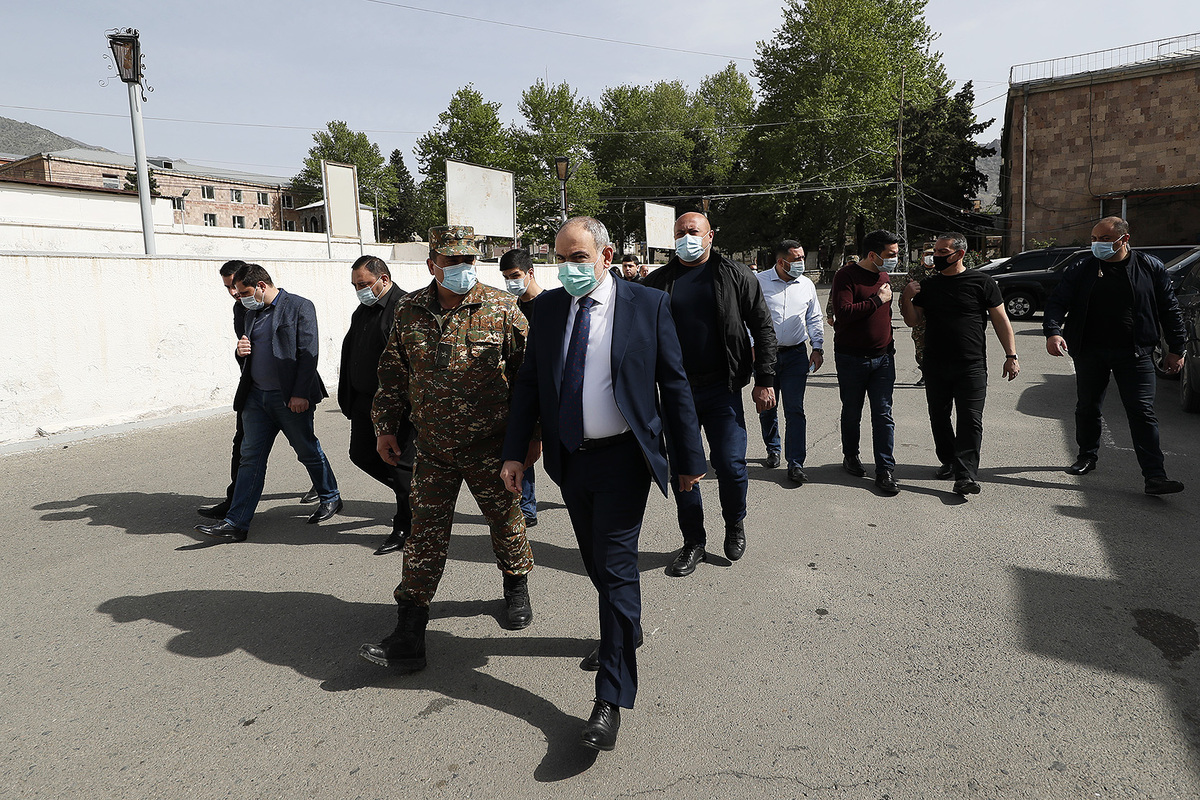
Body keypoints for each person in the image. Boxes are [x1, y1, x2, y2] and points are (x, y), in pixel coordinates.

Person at [500, 216, 705, 752]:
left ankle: (609, 698)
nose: (568, 268)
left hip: (624, 459)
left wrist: (688, 459)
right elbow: (529, 383)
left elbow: (674, 383)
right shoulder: (548, 309)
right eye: (560, 258)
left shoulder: (646, 305)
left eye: (578, 257)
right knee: (595, 561)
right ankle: (625, 628)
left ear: (606, 257)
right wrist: (515, 452)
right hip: (570, 460)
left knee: (615, 570)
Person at [360, 225, 537, 675]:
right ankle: (409, 631)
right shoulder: (409, 310)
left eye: (468, 260)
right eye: (451, 261)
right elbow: (393, 373)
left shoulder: (502, 307)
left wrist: (531, 438)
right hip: (433, 447)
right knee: (424, 534)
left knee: (505, 520)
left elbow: (530, 379)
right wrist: (385, 427)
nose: (461, 268)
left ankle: (516, 584)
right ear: (431, 264)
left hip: (491, 446)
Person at [641, 212, 777, 576]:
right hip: (677, 393)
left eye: (693, 231)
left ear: (710, 235)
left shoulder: (735, 275)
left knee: (731, 465)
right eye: (680, 232)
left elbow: (762, 326)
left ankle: (734, 522)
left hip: (722, 389)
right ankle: (694, 542)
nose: (686, 237)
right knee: (684, 472)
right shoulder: (658, 281)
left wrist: (765, 378)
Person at [195, 264, 341, 542]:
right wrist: (240, 352)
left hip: (289, 397)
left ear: (261, 286)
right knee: (250, 458)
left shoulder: (299, 306)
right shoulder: (250, 312)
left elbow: (308, 352)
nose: (240, 298)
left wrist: (300, 393)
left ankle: (330, 495)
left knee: (306, 449)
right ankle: (236, 523)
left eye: (244, 292)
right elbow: (250, 353)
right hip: (256, 398)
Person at [1043, 216, 1186, 495]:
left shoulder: (1150, 267)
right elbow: (1058, 301)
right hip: (1090, 350)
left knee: (1142, 411)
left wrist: (1177, 348)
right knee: (1088, 406)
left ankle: (1155, 476)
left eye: (1105, 239)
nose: (1098, 244)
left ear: (1124, 239)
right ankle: (1087, 456)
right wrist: (1053, 331)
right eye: (1094, 239)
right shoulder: (1082, 268)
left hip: (1135, 352)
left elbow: (1169, 309)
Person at [899, 233, 1020, 496]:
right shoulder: (929, 285)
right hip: (935, 364)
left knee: (970, 419)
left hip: (971, 365)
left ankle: (966, 475)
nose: (936, 257)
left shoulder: (982, 282)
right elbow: (912, 320)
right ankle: (949, 461)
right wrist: (906, 298)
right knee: (939, 416)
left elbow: (1001, 320)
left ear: (960, 254)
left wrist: (1011, 355)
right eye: (935, 252)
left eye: (943, 252)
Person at [338, 255, 415, 555]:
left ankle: (405, 526)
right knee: (361, 454)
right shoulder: (363, 310)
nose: (360, 290)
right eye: (355, 285)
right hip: (363, 402)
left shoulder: (405, 308)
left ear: (384, 279)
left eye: (365, 284)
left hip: (396, 405)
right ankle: (418, 494)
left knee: (400, 467)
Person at [831, 230, 900, 495]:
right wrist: (877, 300)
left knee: (883, 414)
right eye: (890, 254)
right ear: (873, 255)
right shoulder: (845, 276)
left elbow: (885, 315)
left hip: (883, 358)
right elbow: (843, 313)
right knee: (852, 411)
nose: (895, 259)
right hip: (851, 358)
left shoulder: (884, 276)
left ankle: (885, 470)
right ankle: (851, 455)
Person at [756, 240, 824, 482]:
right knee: (768, 406)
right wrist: (752, 346)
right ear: (781, 262)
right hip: (766, 356)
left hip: (796, 355)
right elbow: (746, 317)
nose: (801, 263)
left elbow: (814, 317)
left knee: (795, 409)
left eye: (802, 257)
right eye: (796, 259)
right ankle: (773, 448)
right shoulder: (759, 282)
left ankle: (796, 463)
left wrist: (817, 347)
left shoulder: (806, 285)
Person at [499, 248, 543, 527]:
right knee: (522, 452)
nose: (511, 282)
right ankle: (526, 507)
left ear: (530, 273)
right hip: (520, 392)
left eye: (515, 276)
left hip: (549, 390)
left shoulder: (550, 305)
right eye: (506, 278)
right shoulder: (509, 308)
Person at [907, 247, 936, 386]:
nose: (930, 257)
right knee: (920, 348)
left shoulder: (943, 271)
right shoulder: (915, 272)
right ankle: (925, 374)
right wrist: (907, 312)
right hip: (919, 318)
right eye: (927, 254)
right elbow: (905, 294)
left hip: (938, 317)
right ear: (922, 256)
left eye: (932, 254)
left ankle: (938, 375)